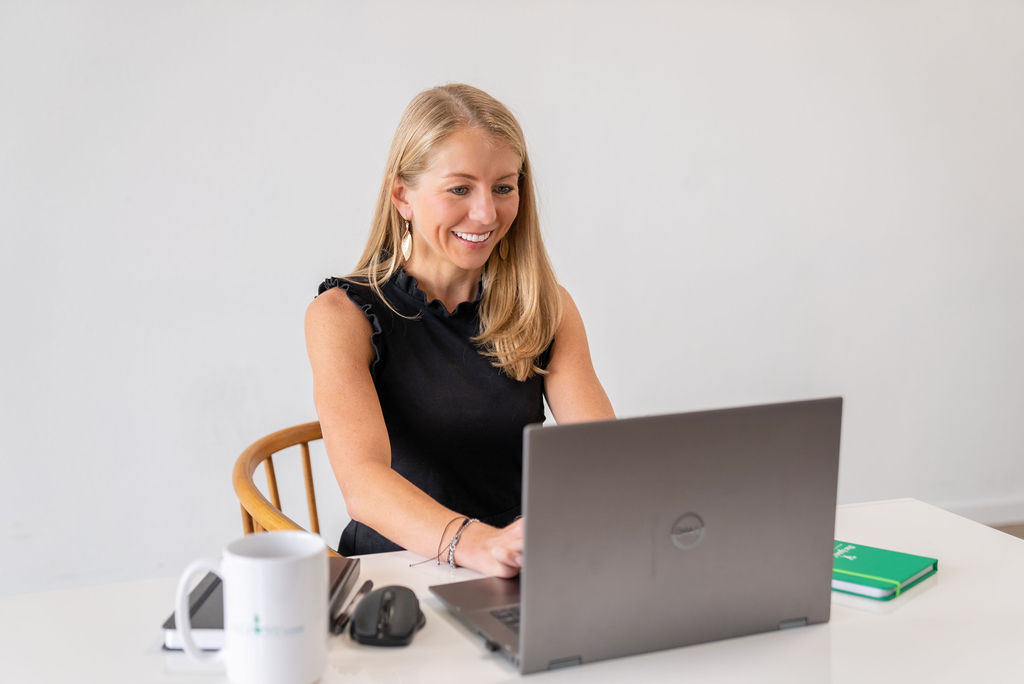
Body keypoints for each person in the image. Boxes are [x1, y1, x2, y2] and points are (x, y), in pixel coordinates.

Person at [305, 84, 614, 578]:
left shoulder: (545, 306)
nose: (486, 213)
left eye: (503, 188)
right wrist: (480, 545)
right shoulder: (342, 316)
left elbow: (602, 454)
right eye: (459, 189)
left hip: (517, 566)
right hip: (398, 573)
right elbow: (363, 485)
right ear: (402, 195)